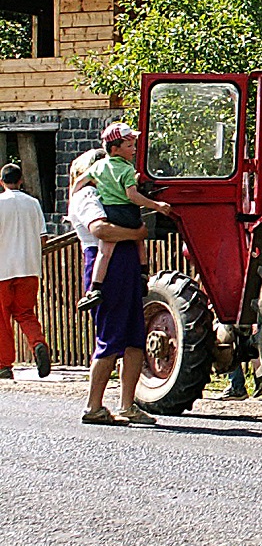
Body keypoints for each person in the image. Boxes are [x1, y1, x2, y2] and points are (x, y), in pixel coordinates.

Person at [66, 149, 155, 426]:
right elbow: (101, 230)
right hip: (106, 263)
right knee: (110, 336)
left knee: (134, 336)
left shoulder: (108, 193)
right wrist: (136, 233)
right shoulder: (86, 196)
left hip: (125, 262)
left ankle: (127, 405)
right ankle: (94, 405)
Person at [76, 122, 170, 312]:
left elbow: (80, 180)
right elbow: (132, 196)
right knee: (138, 238)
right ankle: (144, 273)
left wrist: (74, 195)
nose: (134, 150)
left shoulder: (99, 166)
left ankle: (95, 288)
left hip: (110, 213)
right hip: (128, 211)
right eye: (129, 146)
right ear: (114, 148)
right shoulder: (127, 170)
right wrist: (156, 205)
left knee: (105, 252)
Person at [0, 161, 51, 380]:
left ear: (1, 182)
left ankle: (4, 364)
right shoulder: (33, 203)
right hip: (29, 268)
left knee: (2, 319)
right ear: (21, 180)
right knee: (25, 313)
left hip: (2, 269)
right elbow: (43, 238)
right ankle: (38, 342)